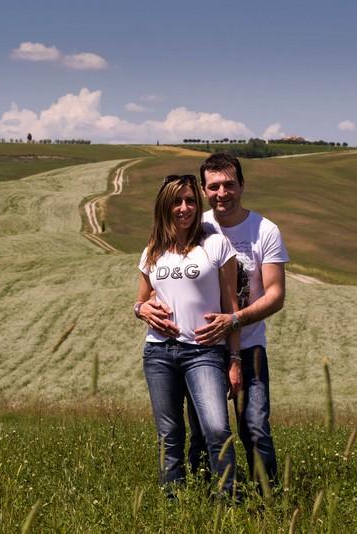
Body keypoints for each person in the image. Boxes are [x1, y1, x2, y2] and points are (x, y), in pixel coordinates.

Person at [139, 154, 288, 487]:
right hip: (200, 347)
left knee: (254, 426)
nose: (223, 193)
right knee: (202, 431)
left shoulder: (264, 230)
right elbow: (167, 282)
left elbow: (276, 295)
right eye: (214, 186)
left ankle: (268, 498)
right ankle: (208, 496)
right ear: (205, 190)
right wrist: (143, 306)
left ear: (242, 185)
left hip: (247, 346)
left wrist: (232, 322)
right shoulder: (195, 223)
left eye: (229, 185)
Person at [134, 173, 242, 496]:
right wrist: (141, 310)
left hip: (204, 352)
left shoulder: (216, 244)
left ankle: (230, 502)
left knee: (216, 429)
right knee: (169, 436)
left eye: (191, 200)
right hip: (158, 354)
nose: (185, 208)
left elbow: (231, 308)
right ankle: (174, 505)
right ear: (165, 207)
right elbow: (140, 301)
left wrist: (234, 359)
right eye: (177, 201)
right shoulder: (153, 250)